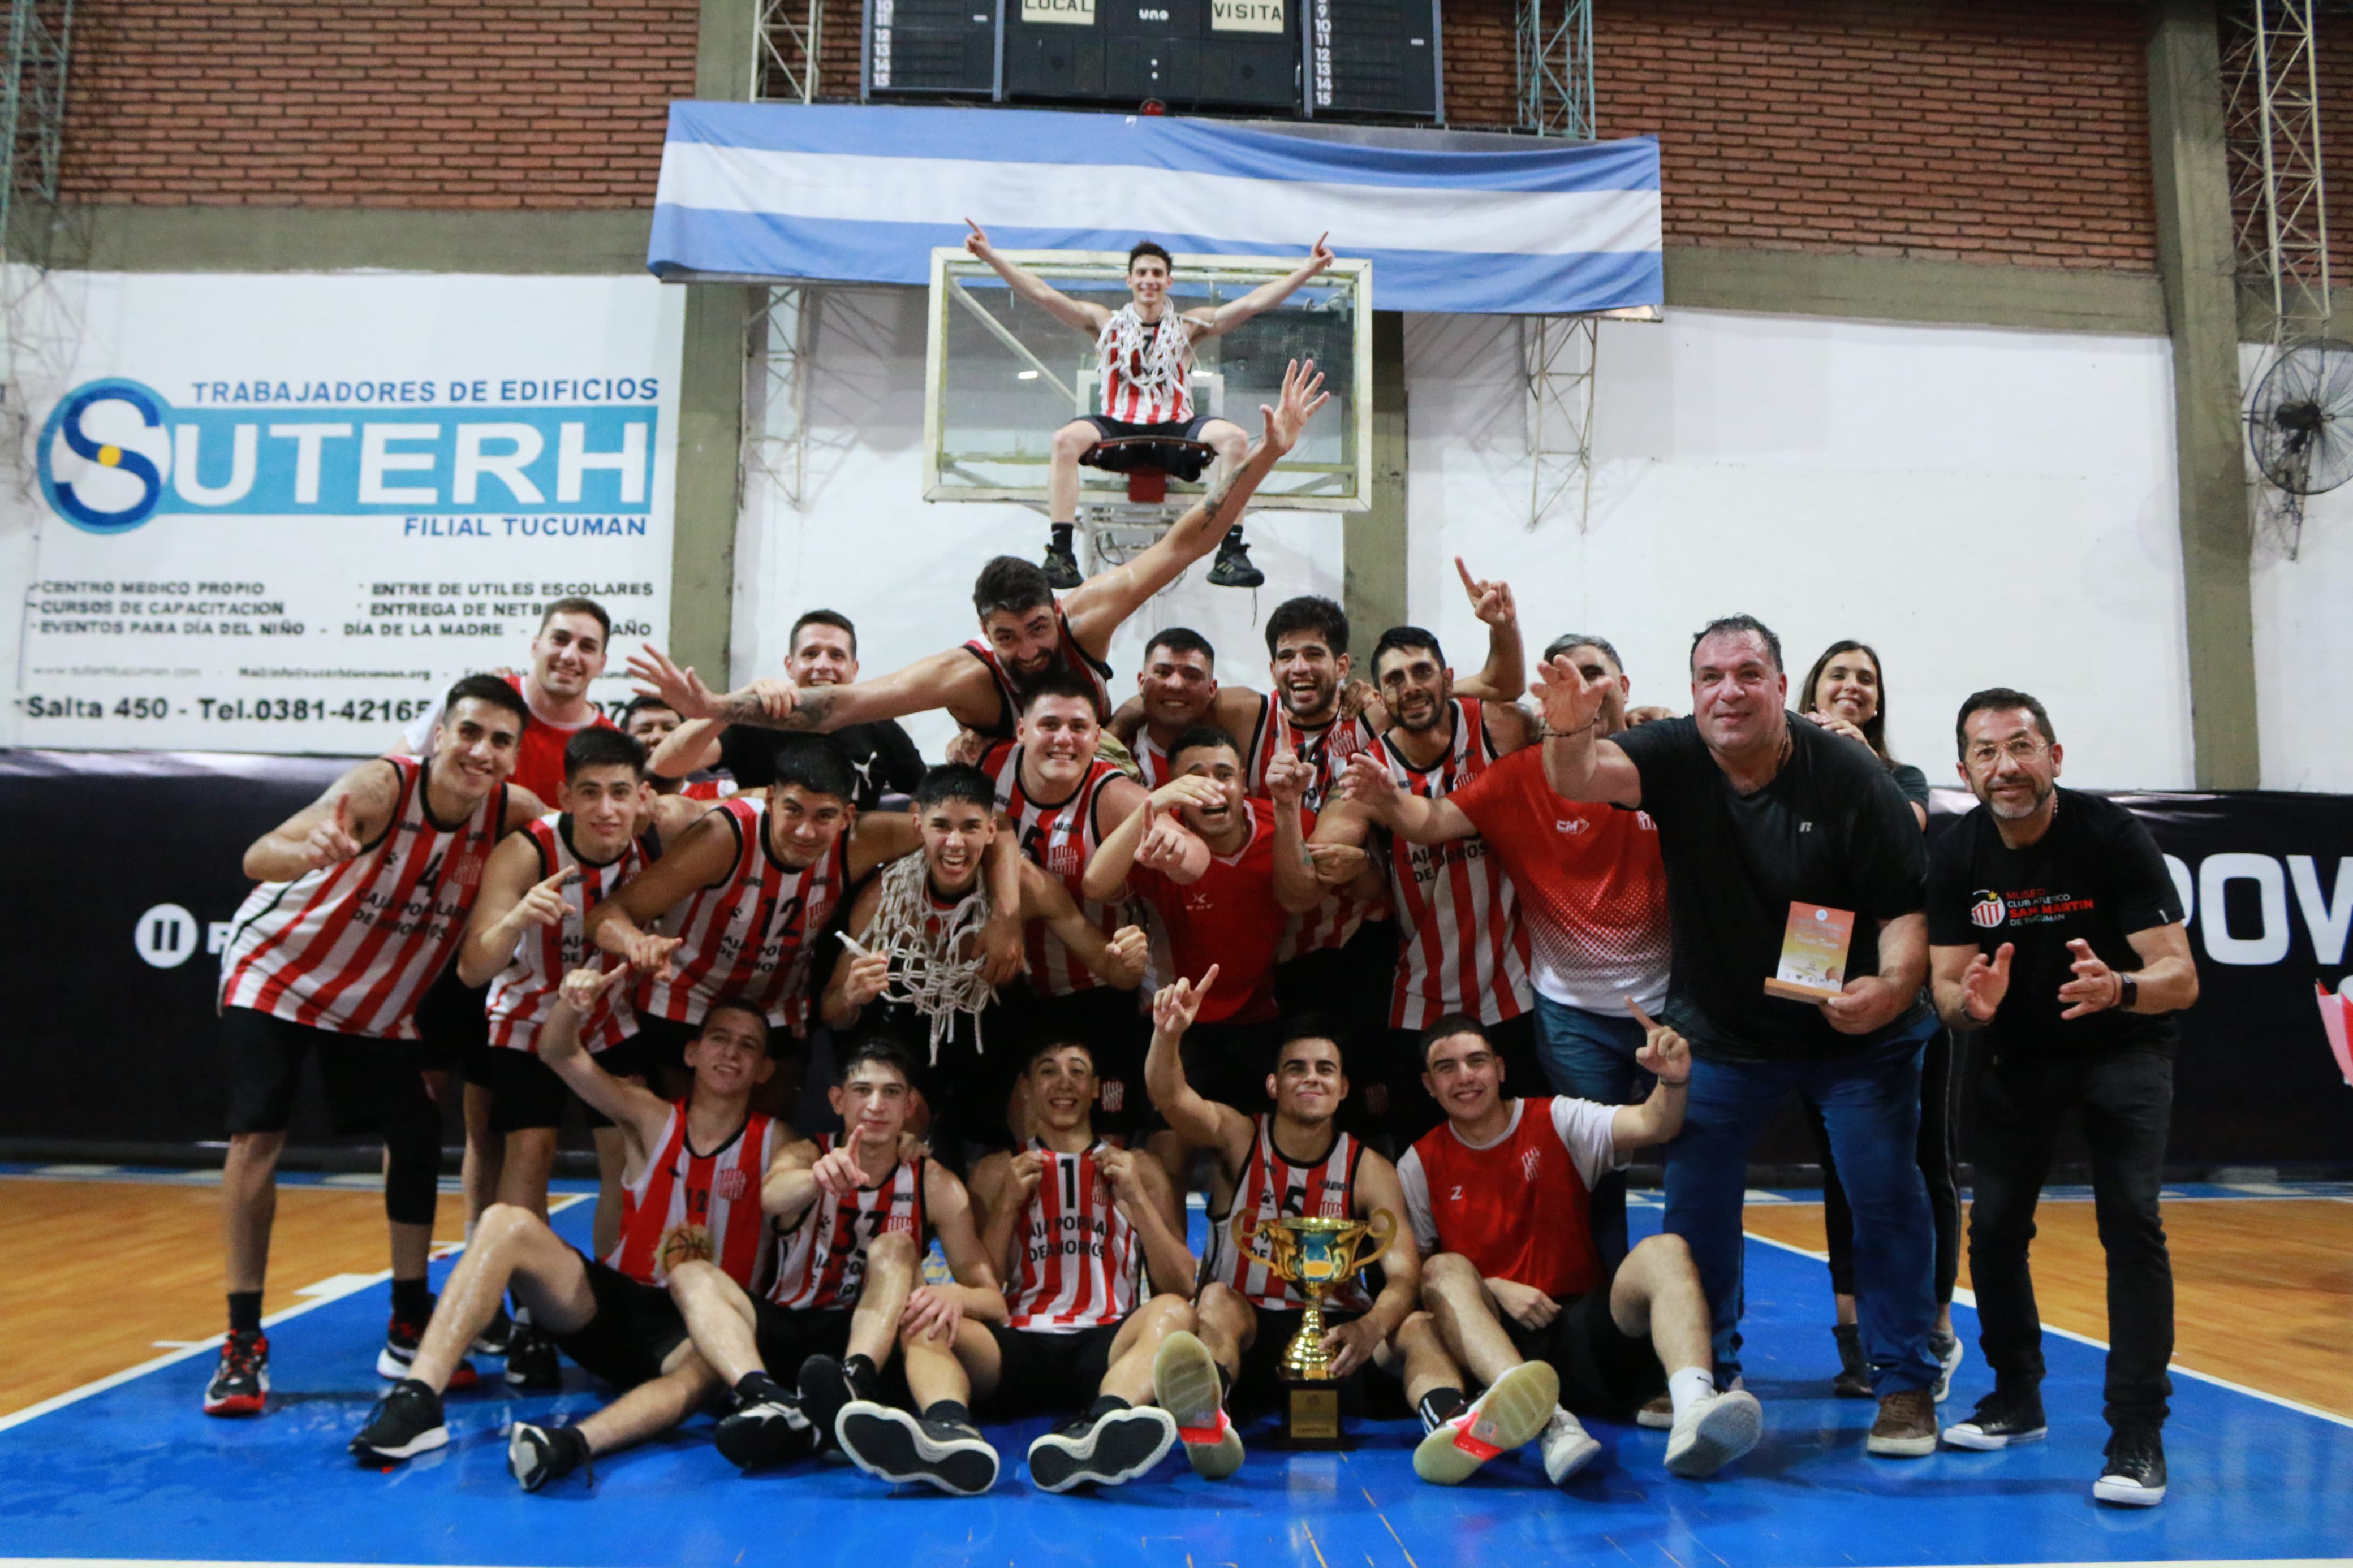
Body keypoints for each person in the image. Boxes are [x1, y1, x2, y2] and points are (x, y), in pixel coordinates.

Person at [1529, 613, 1943, 1458]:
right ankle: (1707, 1371)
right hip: (1724, 1031)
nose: (1730, 690)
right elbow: (1580, 779)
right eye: (1712, 676)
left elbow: (1905, 912)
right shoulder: (1676, 754)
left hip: (1856, 1034)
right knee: (1696, 1204)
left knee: (1884, 1197)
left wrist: (1892, 988)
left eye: (1749, 674)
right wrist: (1570, 724)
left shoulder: (1851, 777)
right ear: (1692, 693)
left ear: (1782, 689)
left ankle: (1904, 1384)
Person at [626, 358, 1333, 742]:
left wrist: (1267, 452)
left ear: (1057, 612)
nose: (1027, 650)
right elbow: (839, 705)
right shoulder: (964, 676)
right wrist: (717, 702)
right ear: (984, 634)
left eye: (1035, 630)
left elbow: (1191, 538)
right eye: (1007, 638)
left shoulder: (1088, 615)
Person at [204, 675, 544, 1419]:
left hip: (378, 1001)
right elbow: (258, 856)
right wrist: (310, 850)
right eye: (469, 732)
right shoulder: (383, 787)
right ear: (440, 733)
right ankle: (242, 1343)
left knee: (419, 1133)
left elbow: (590, 835)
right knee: (260, 1127)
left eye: (499, 740)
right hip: (280, 971)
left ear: (516, 756)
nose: (480, 751)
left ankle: (407, 1319)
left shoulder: (512, 817)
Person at [346, 967, 779, 1489]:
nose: (730, 1053)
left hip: (698, 1329)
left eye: (747, 1046)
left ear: (764, 1069)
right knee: (505, 1221)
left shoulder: (780, 1142)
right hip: (615, 1309)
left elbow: (812, 1171)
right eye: (719, 1039)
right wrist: (571, 1005)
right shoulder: (649, 1115)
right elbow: (558, 1053)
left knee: (707, 1370)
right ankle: (418, 1399)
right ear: (692, 1053)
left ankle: (573, 1445)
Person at [1928, 688, 2198, 1507]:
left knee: (2131, 1218)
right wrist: (1969, 1006)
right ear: (1965, 770)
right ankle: (2017, 1395)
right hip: (2022, 1051)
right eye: (1985, 752)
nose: (2005, 766)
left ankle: (2137, 1435)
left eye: (2020, 746)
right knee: (1999, 1226)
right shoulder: (1958, 852)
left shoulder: (2111, 834)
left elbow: (2179, 977)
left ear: (2053, 755)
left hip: (2122, 1042)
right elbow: (1945, 985)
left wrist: (2118, 986)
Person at [1338, 631, 1669, 1272]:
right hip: (1559, 1011)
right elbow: (1429, 821)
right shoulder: (1516, 774)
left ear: (1623, 687)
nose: (1581, 690)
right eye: (1564, 681)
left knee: (1690, 1168)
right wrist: (1375, 807)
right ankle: (1471, 1303)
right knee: (1582, 1177)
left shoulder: (1673, 760)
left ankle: (1649, 1336)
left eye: (1595, 676)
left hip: (1668, 1006)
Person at [1402, 1013, 1762, 1485]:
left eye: (1477, 1061)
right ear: (1430, 1085)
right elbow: (1421, 1276)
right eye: (1447, 1068)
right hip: (1492, 1345)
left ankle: (1694, 1409)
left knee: (1667, 1249)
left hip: (1581, 1333)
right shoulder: (1418, 1161)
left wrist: (1672, 1081)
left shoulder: (1557, 1117)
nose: (1465, 1076)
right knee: (1443, 1269)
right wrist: (1491, 1286)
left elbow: (1654, 1123)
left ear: (1501, 1068)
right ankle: (1549, 1423)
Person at [833, 1038, 1202, 1494]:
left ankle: (1104, 1425)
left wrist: (1138, 1202)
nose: (1063, 1081)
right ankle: (949, 1432)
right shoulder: (994, 1170)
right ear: (1026, 1089)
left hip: (1106, 1343)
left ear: (1095, 1089)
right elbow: (987, 1287)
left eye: (1077, 1070)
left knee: (1176, 1313)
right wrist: (1007, 1204)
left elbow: (1183, 1283)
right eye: (1048, 1070)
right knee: (922, 1312)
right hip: (1019, 1344)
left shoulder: (1139, 1166)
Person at [455, 727, 710, 1380]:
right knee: (528, 1153)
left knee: (625, 1156)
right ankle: (526, 1315)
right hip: (526, 1020)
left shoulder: (659, 841)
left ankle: (604, 1297)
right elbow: (471, 971)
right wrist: (514, 922)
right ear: (564, 795)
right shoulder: (524, 851)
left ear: (641, 797)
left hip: (610, 1018)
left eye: (619, 793)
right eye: (590, 793)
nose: (605, 809)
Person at [583, 735, 1018, 1104]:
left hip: (777, 1004)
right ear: (770, 800)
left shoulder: (862, 840)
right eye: (793, 811)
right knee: (685, 1138)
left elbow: (995, 827)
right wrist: (635, 943)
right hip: (686, 998)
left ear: (848, 816)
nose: (806, 831)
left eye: (824, 815)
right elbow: (607, 915)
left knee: (767, 1149)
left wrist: (1006, 917)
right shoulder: (724, 837)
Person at [1144, 971, 1443, 1481]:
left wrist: (1370, 1327)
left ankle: (1451, 1420)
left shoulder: (1369, 1167)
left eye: (1326, 1069)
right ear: (1273, 1084)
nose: (1312, 1078)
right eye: (1297, 1068)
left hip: (1342, 1343)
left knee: (1414, 1325)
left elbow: (1403, 1276)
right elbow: (1172, 1099)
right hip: (1252, 1340)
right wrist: (1168, 1034)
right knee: (1215, 1300)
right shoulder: (1239, 1137)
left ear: (1344, 1087)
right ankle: (1206, 1417)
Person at [670, 1038, 1008, 1473]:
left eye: (890, 1092)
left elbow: (993, 1298)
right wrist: (815, 1179)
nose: (876, 1104)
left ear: (910, 1105)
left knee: (896, 1245)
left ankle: (853, 1385)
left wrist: (955, 1296)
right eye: (862, 1090)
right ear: (837, 1099)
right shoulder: (807, 1152)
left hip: (872, 1340)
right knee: (691, 1273)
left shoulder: (934, 1182)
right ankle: (770, 1399)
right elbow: (771, 1196)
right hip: (790, 1328)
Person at [963, 223, 1335, 590]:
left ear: (1169, 282)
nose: (1149, 279)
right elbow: (1043, 295)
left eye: (1157, 273)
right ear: (1129, 280)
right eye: (1141, 272)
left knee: (1236, 438)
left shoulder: (1189, 326)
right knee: (1064, 440)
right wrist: (991, 257)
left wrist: (1307, 270)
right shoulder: (1103, 322)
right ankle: (1061, 553)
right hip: (1117, 424)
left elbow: (1253, 303)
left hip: (1174, 425)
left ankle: (1231, 552)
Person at [1794, 638, 1963, 1402]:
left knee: (1925, 1161)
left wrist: (1858, 761)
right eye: (1840, 675)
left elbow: (1905, 831)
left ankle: (1934, 1324)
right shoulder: (1781, 777)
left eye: (1866, 678)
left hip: (1906, 993)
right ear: (1812, 690)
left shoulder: (1902, 777)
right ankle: (1855, 1335)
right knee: (1840, 1165)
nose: (1854, 686)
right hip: (1819, 975)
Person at [820, 763, 1145, 1161]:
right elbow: (832, 1012)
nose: (955, 843)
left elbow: (1116, 973)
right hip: (908, 1032)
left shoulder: (1028, 887)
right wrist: (852, 995)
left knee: (1027, 1110)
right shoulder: (884, 898)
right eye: (941, 825)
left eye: (970, 827)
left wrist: (1128, 957)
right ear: (918, 827)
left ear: (991, 830)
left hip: (993, 1029)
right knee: (892, 1115)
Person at [1312, 616, 1542, 1144]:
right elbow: (1321, 859)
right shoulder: (1369, 764)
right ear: (1380, 696)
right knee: (1421, 1153)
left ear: (1447, 677)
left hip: (1512, 985)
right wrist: (1346, 862)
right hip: (1420, 988)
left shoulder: (1496, 726)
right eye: (1394, 678)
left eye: (1422, 672)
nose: (1410, 686)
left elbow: (1526, 702)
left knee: (1525, 1143)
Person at [972, 672, 1196, 1146]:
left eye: (1078, 727)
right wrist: (1005, 917)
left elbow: (1190, 849)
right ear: (1021, 731)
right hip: (1010, 989)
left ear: (1097, 737)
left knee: (1105, 1144)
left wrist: (1178, 850)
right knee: (1013, 1141)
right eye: (1049, 724)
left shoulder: (1112, 795)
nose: (1063, 739)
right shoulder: (990, 768)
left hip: (1097, 986)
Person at [1083, 727, 1322, 1122]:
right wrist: (1154, 804)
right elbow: (1095, 885)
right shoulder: (1163, 835)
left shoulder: (1285, 823)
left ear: (1244, 781)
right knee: (1169, 1150)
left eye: (1225, 775)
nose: (1212, 788)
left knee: (1248, 1148)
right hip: (1173, 1017)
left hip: (1258, 1015)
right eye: (1195, 778)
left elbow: (1315, 891)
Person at [645, 610, 925, 810]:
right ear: (789, 666)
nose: (822, 665)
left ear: (854, 670)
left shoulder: (880, 725)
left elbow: (927, 798)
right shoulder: (760, 718)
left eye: (836, 655)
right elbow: (665, 766)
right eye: (810, 654)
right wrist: (732, 704)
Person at [401, 597, 618, 802]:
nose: (569, 656)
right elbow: (390, 773)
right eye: (560, 640)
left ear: (602, 664)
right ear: (535, 646)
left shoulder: (610, 744)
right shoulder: (472, 700)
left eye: (587, 647)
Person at [620, 694, 734, 800]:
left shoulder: (724, 792)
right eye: (645, 730)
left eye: (669, 728)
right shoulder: (611, 801)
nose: (657, 736)